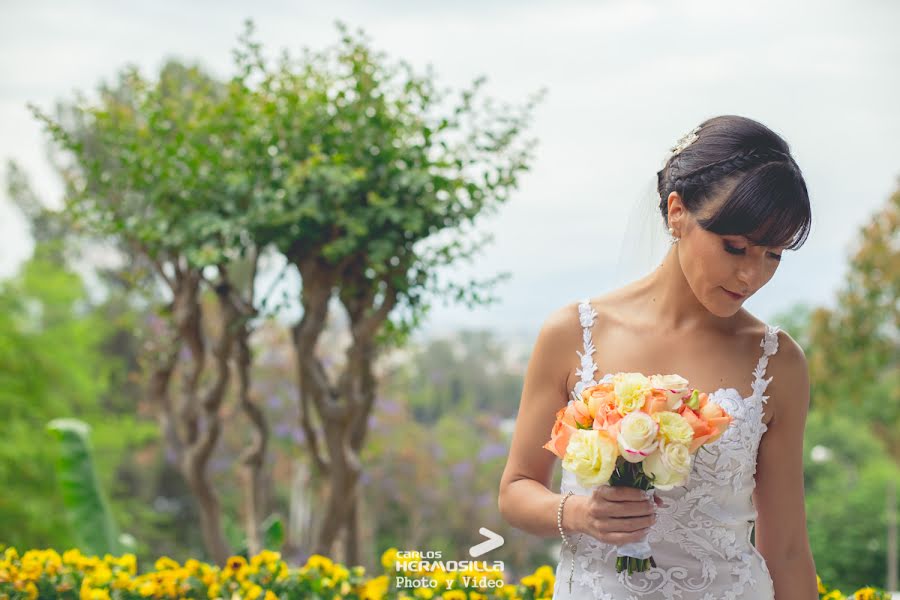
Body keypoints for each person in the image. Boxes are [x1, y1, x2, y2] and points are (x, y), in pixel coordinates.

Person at [498, 115, 818, 599]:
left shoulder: (777, 362)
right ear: (677, 211)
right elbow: (516, 489)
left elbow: (789, 548)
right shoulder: (574, 332)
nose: (752, 275)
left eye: (772, 255)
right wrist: (580, 513)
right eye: (735, 248)